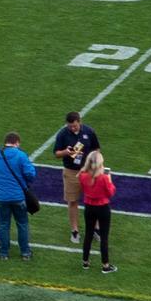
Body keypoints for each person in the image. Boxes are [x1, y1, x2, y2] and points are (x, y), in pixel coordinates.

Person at [0, 133, 36, 261]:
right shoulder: (21, 155)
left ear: (5, 142)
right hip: (18, 197)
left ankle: (3, 253)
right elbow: (31, 174)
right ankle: (25, 253)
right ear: (17, 142)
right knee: (22, 224)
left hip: (1, 197)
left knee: (3, 224)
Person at [52, 112, 100, 244]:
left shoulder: (89, 132)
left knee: (93, 200)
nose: (72, 128)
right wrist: (66, 152)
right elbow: (56, 153)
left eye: (74, 126)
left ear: (80, 121)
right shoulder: (62, 134)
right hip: (71, 171)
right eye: (70, 126)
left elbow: (97, 149)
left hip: (88, 171)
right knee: (72, 201)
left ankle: (96, 229)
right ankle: (74, 230)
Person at [78, 151, 116, 273]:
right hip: (103, 207)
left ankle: (85, 262)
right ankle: (105, 265)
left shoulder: (82, 175)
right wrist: (109, 180)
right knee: (104, 237)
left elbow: (84, 188)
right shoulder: (104, 178)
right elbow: (110, 193)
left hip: (89, 207)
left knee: (88, 234)